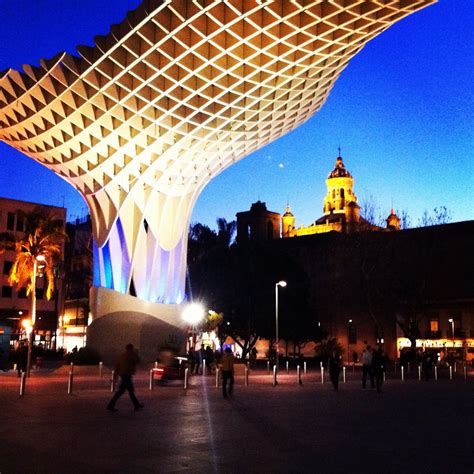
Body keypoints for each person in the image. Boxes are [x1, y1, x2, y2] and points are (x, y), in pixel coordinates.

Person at [107, 343, 144, 412]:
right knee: (128, 391)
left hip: (123, 374)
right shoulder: (131, 355)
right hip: (127, 375)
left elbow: (117, 366)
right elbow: (138, 361)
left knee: (123, 391)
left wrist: (116, 376)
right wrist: (136, 353)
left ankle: (136, 404)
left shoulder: (122, 356)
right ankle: (136, 405)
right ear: (131, 349)